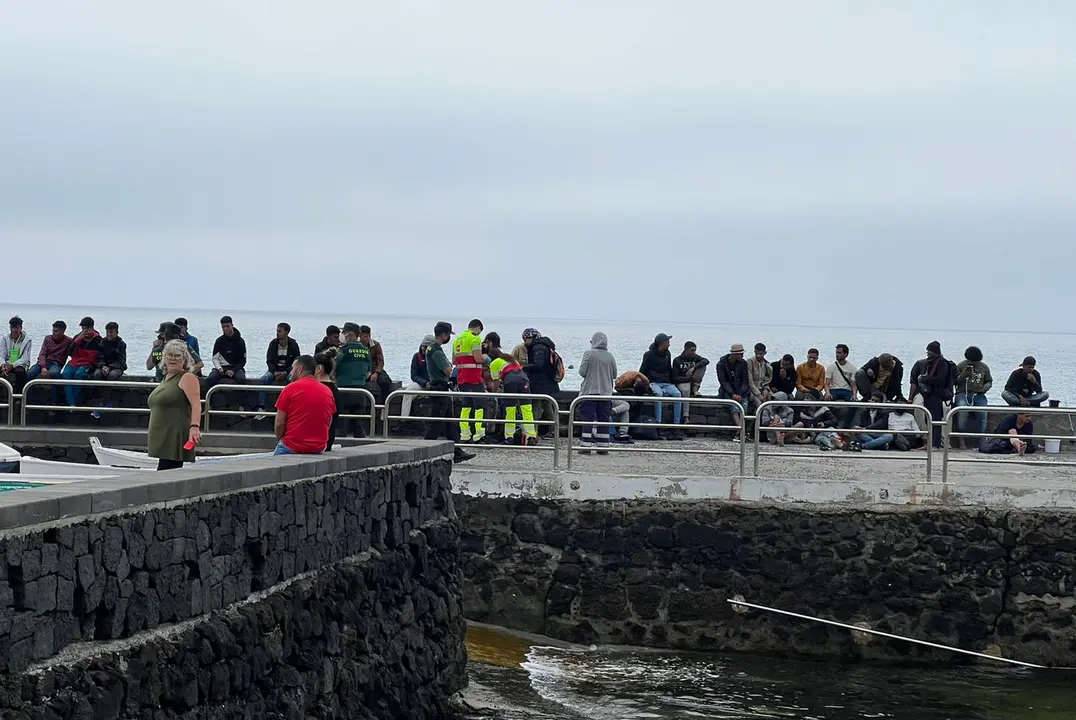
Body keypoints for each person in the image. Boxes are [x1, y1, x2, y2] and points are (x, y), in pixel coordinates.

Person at [424, 322, 475, 463]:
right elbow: (447, 370)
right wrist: (451, 369)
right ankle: (424, 450)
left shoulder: (431, 348)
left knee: (450, 422)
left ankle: (457, 451)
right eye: (448, 335)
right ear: (444, 335)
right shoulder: (435, 350)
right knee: (437, 423)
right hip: (439, 388)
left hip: (441, 388)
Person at [147, 340, 202, 470]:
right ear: (164, 358)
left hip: (175, 434)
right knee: (164, 472)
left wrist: (194, 427)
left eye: (178, 356)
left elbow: (196, 404)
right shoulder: (166, 378)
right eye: (169, 355)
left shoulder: (187, 377)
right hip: (162, 435)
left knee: (166, 474)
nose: (173, 358)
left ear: (184, 359)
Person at [273, 355, 335, 455]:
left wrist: (281, 439)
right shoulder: (327, 391)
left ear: (299, 369)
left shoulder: (290, 389)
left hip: (292, 446)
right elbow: (329, 420)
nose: (291, 372)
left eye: (293, 368)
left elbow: (279, 424)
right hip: (318, 447)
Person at [638, 333, 684, 440]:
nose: (669, 344)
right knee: (659, 395)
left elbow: (669, 369)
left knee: (678, 394)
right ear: (661, 343)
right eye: (667, 342)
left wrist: (674, 380)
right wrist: (646, 384)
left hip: (666, 382)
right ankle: (658, 424)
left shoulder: (667, 354)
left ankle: (676, 426)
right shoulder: (648, 355)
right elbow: (642, 371)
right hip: (654, 382)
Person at [578, 331, 618, 452]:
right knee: (604, 419)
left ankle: (586, 445)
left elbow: (582, 372)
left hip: (589, 391)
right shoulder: (610, 356)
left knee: (588, 419)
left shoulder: (588, 354)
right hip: (606, 393)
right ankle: (603, 446)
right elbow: (615, 374)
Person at [909, 341, 952, 449]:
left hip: (937, 395)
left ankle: (936, 444)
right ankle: (929, 442)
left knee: (936, 420)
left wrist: (924, 379)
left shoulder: (942, 363)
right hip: (928, 394)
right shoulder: (930, 363)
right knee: (928, 419)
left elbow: (940, 380)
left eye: (930, 351)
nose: (928, 354)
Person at [489, 352, 538, 446]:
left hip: (510, 381)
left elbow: (495, 382)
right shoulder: (511, 359)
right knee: (527, 409)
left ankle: (509, 437)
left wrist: (493, 394)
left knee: (510, 410)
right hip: (524, 379)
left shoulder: (494, 363)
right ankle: (531, 436)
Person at [521, 328, 562, 439]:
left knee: (536, 406)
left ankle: (532, 431)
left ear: (532, 338)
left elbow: (539, 364)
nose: (525, 342)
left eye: (526, 339)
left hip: (540, 383)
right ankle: (553, 430)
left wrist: (524, 367)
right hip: (548, 382)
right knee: (547, 405)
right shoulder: (545, 345)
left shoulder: (538, 347)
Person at [453, 319, 488, 443]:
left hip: (462, 378)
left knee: (466, 406)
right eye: (479, 331)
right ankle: (479, 434)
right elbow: (478, 358)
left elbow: (453, 361)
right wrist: (485, 358)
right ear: (477, 328)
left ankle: (465, 434)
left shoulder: (457, 340)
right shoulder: (475, 339)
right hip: (474, 377)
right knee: (480, 406)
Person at [953, 346, 993, 448]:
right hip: (963, 393)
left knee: (982, 414)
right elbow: (954, 381)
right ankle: (961, 439)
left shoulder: (984, 367)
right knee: (962, 411)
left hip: (979, 395)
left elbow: (989, 381)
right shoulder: (961, 366)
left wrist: (984, 388)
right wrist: (963, 374)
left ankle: (980, 439)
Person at [258, 322, 301, 416]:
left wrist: (286, 372)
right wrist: (274, 372)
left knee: (292, 381)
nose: (277, 333)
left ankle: (291, 406)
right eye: (277, 331)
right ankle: (262, 406)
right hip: (274, 369)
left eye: (280, 331)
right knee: (265, 379)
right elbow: (269, 360)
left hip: (288, 370)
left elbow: (296, 361)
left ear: (287, 332)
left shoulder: (293, 344)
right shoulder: (273, 343)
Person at [61, 317, 103, 407]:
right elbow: (69, 352)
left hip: (88, 363)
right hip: (74, 362)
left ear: (92, 328)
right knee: (66, 374)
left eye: (86, 329)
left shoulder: (98, 339)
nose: (85, 331)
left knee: (79, 375)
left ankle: (73, 402)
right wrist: (76, 341)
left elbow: (100, 357)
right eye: (83, 329)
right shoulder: (78, 337)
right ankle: (71, 402)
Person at [91, 321, 128, 417]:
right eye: (107, 332)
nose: (109, 334)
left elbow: (121, 360)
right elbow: (99, 357)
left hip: (117, 367)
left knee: (111, 376)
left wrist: (110, 367)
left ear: (116, 332)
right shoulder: (102, 342)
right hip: (103, 366)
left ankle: (103, 402)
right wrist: (103, 366)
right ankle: (104, 401)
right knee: (97, 375)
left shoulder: (121, 344)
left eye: (111, 332)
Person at [205, 316, 247, 391]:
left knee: (241, 378)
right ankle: (210, 399)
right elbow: (215, 358)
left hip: (236, 368)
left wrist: (233, 371)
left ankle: (239, 401)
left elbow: (242, 361)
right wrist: (220, 368)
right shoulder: (219, 341)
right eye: (223, 327)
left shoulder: (240, 341)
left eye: (227, 326)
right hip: (221, 368)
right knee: (211, 378)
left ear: (232, 325)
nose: (225, 329)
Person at [360, 325, 394, 419]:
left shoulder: (375, 345)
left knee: (385, 382)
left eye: (368, 336)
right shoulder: (358, 346)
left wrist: (376, 372)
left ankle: (384, 407)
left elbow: (380, 360)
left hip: (375, 370)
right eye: (364, 336)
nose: (367, 338)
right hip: (363, 371)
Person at [672, 341, 709, 426]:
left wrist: (693, 368)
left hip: (692, 380)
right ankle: (686, 416)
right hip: (682, 381)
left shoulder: (695, 358)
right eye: (692, 350)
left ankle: (695, 389)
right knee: (685, 390)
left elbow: (706, 361)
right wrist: (689, 378)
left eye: (695, 350)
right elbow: (675, 378)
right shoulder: (677, 360)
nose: (694, 353)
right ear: (686, 350)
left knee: (702, 365)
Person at [716, 343, 750, 436]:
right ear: (734, 354)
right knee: (734, 407)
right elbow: (723, 382)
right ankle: (741, 430)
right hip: (727, 391)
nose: (742, 356)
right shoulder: (721, 364)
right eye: (740, 354)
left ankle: (740, 431)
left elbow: (745, 381)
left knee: (744, 406)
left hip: (741, 391)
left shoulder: (743, 363)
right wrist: (733, 394)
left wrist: (740, 393)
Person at [400, 335, 434, 423]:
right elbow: (414, 375)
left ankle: (450, 422)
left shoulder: (437, 356)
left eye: (427, 347)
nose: (424, 348)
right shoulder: (417, 357)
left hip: (435, 384)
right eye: (423, 346)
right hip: (421, 384)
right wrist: (425, 383)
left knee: (449, 394)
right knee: (407, 393)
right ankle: (404, 420)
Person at [824, 344, 858, 429]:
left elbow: (853, 384)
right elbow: (827, 383)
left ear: (845, 354)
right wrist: (827, 392)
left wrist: (854, 395)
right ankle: (832, 423)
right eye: (836, 352)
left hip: (846, 390)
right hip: (834, 390)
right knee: (826, 401)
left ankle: (846, 426)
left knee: (854, 404)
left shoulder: (852, 368)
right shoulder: (831, 367)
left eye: (839, 353)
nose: (837, 355)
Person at [314, 352, 340, 451]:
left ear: (319, 369)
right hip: (328, 440)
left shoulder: (321, 390)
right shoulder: (334, 390)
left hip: (318, 441)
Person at [0, 316, 33, 394]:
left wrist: (12, 365)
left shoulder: (27, 340)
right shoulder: (5, 339)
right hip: (7, 362)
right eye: (12, 327)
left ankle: (18, 397)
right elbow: (1, 354)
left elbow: (25, 357)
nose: (14, 330)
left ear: (21, 328)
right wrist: (2, 364)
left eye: (16, 328)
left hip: (20, 364)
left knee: (20, 373)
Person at [746, 342, 773, 414]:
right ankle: (753, 423)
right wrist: (759, 395)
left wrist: (766, 389)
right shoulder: (749, 362)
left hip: (763, 388)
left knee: (771, 400)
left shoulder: (767, 364)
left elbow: (767, 380)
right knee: (759, 404)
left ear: (765, 353)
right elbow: (750, 382)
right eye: (756, 353)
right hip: (752, 391)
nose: (758, 356)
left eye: (760, 354)